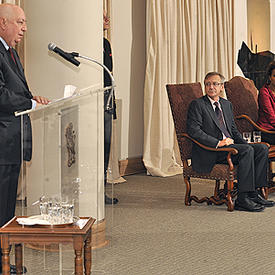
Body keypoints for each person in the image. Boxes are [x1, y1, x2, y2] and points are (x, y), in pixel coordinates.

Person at [0, 3, 49, 274]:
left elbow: (14, 91)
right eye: (20, 22)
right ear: (2, 23)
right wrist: (29, 102)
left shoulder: (11, 53)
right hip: (2, 143)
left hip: (12, 142)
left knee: (7, 207)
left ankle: (4, 261)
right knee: (1, 208)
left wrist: (33, 99)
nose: (24, 28)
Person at [186, 71, 275, 212]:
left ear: (221, 87)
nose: (211, 87)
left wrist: (248, 145)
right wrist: (218, 143)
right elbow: (194, 131)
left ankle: (254, 193)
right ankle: (242, 199)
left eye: (215, 84)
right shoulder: (197, 105)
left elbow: (233, 131)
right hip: (211, 150)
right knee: (247, 151)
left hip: (228, 146)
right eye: (208, 84)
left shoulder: (226, 105)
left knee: (261, 148)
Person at [103, 11, 118, 204]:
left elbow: (109, 71)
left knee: (105, 147)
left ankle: (102, 190)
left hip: (106, 101)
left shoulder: (105, 43)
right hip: (94, 104)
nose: (107, 20)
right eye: (103, 17)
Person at [257, 61, 275, 145]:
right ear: (270, 77)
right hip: (266, 131)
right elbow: (271, 118)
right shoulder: (264, 92)